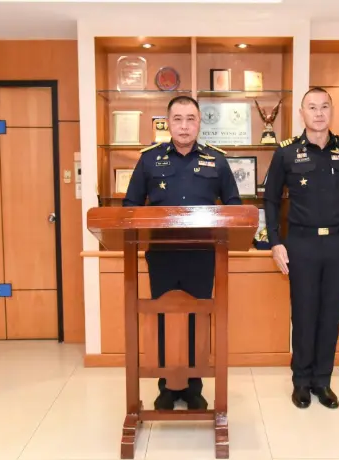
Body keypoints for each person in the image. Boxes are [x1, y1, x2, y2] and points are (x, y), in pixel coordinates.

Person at [123, 95, 242, 411]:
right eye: (178, 119)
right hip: (162, 255)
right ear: (168, 123)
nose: (184, 126)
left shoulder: (216, 161)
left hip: (202, 256)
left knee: (197, 320)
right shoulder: (149, 160)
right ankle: (166, 387)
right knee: (163, 318)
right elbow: (130, 206)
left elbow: (234, 206)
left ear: (199, 123)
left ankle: (193, 387)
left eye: (191, 119)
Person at [263, 87, 339, 409]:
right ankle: (301, 381)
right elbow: (270, 200)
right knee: (304, 313)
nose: (319, 113)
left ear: (331, 111)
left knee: (331, 314)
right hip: (302, 243)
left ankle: (322, 381)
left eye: (324, 107)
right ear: (302, 114)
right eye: (312, 107)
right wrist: (275, 242)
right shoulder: (286, 153)